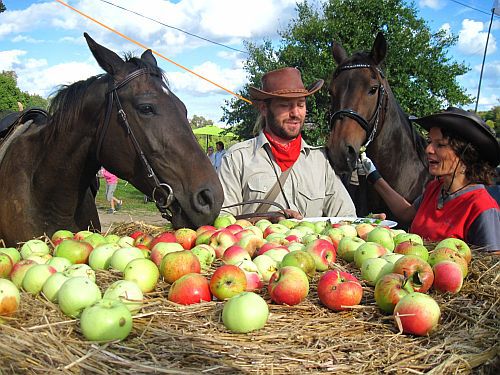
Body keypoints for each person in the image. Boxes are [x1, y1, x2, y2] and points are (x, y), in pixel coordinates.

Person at [218, 67, 356, 220]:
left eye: (301, 105)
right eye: (285, 105)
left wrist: (366, 226)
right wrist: (264, 220)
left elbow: (345, 217)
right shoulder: (237, 159)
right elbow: (223, 221)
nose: (295, 113)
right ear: (264, 109)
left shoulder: (320, 161)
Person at [361, 107, 500, 251]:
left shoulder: (482, 207)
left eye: (439, 144)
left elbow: (492, 267)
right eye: (430, 141)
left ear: (465, 154)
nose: (428, 149)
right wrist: (373, 175)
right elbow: (406, 212)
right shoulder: (436, 188)